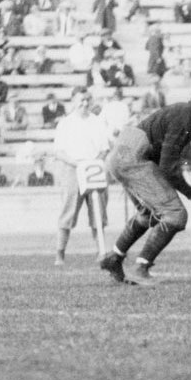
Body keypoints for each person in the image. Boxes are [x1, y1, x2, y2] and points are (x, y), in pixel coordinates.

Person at [99, 81, 191, 286]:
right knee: (175, 215)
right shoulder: (185, 118)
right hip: (133, 157)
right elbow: (167, 168)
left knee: (148, 214)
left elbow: (164, 162)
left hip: (121, 155)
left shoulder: (182, 113)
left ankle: (114, 258)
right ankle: (140, 269)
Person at [53, 90, 113, 264]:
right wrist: (77, 164)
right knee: (68, 211)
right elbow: (59, 151)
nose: (85, 103)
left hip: (94, 169)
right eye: (81, 100)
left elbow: (104, 149)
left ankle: (101, 252)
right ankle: (60, 254)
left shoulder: (97, 122)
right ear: (73, 101)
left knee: (98, 212)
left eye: (88, 99)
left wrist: (93, 164)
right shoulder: (65, 123)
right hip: (73, 169)